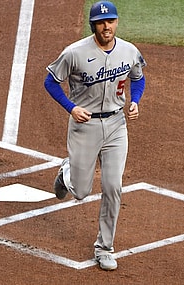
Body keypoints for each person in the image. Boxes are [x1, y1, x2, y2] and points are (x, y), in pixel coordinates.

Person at [44, 1, 146, 271]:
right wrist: (71, 107)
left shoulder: (128, 50)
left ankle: (104, 248)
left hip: (116, 125)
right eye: (101, 22)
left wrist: (135, 101)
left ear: (116, 22)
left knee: (113, 187)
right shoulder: (74, 53)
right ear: (93, 25)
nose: (107, 26)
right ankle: (66, 172)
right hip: (84, 126)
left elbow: (139, 77)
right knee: (80, 191)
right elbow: (50, 81)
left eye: (111, 21)